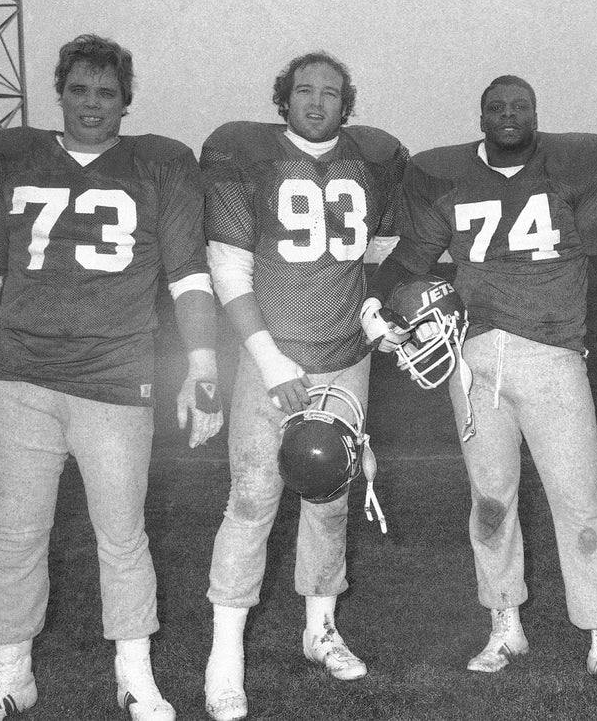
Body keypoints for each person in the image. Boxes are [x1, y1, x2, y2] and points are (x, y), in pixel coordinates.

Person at [0, 34, 224, 721]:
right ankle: (10, 675)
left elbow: (188, 275)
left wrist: (202, 366)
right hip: (22, 374)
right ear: (60, 92)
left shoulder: (160, 164)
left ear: (126, 100)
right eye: (79, 89)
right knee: (12, 533)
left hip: (116, 378)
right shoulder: (12, 157)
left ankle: (135, 674)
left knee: (123, 534)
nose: (92, 103)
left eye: (106, 93)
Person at [366, 75, 597, 703]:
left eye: (520, 106)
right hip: (472, 359)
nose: (509, 115)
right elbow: (410, 258)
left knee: (580, 503)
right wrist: (374, 303)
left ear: (536, 114)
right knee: (490, 501)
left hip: (553, 356)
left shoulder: (572, 170)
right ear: (481, 116)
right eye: (497, 107)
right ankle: (504, 623)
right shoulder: (448, 178)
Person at [200, 52, 408, 721]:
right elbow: (228, 270)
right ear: (283, 99)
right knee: (252, 498)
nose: (317, 102)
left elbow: (383, 259)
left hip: (345, 357)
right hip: (274, 357)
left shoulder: (372, 159)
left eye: (330, 93)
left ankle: (320, 629)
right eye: (304, 91)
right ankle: (225, 655)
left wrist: (380, 313)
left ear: (346, 103)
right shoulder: (247, 156)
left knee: (330, 498)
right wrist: (270, 361)